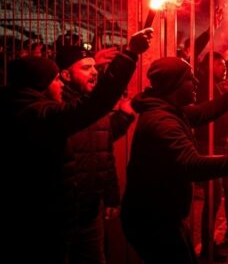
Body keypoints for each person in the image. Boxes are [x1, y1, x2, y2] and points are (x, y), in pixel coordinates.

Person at [2, 28, 152, 263]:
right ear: (42, 84)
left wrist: (109, 196)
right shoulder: (39, 114)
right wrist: (130, 53)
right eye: (55, 79)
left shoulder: (39, 110)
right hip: (51, 217)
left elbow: (100, 147)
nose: (60, 84)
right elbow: (95, 104)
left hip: (83, 213)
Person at [120, 57, 228, 264]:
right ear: (173, 85)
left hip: (161, 215)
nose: (196, 82)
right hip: (152, 220)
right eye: (189, 79)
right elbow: (193, 165)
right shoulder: (163, 122)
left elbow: (205, 111)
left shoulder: (170, 110)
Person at [56, 44, 137, 264]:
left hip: (91, 211)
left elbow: (103, 150)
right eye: (86, 68)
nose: (94, 72)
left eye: (95, 67)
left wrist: (111, 196)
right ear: (65, 75)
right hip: (62, 212)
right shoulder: (59, 108)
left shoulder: (96, 109)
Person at [194, 51, 228, 261]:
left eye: (224, 64)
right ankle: (207, 248)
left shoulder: (216, 85)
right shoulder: (205, 85)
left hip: (218, 144)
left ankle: (218, 242)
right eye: (219, 64)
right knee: (213, 197)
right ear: (209, 66)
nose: (223, 68)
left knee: (221, 194)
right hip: (208, 145)